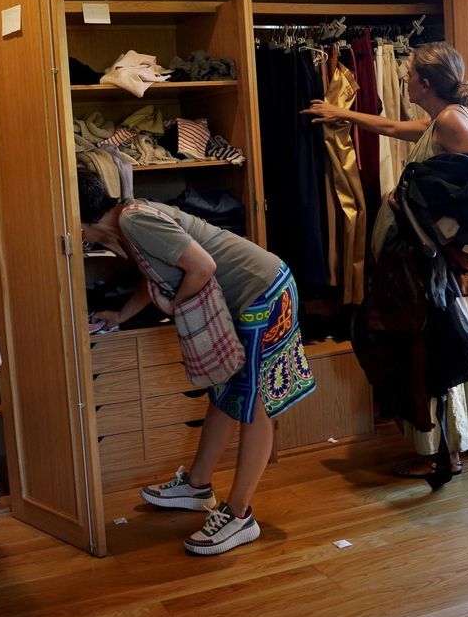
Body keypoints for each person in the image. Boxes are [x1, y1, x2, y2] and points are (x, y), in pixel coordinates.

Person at [81, 167, 316, 555]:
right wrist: (120, 315)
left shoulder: (135, 221)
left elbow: (203, 266)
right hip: (245, 297)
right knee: (223, 394)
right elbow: (160, 275)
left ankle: (239, 514)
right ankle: (197, 485)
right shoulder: (128, 221)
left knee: (254, 403)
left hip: (263, 293)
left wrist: (176, 307)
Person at [301, 40, 468, 479]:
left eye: (409, 75)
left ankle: (443, 453)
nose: (404, 80)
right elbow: (392, 126)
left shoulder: (451, 121)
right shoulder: (441, 120)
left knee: (435, 355)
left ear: (425, 83)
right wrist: (343, 114)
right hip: (434, 263)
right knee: (460, 348)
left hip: (438, 267)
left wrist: (415, 207)